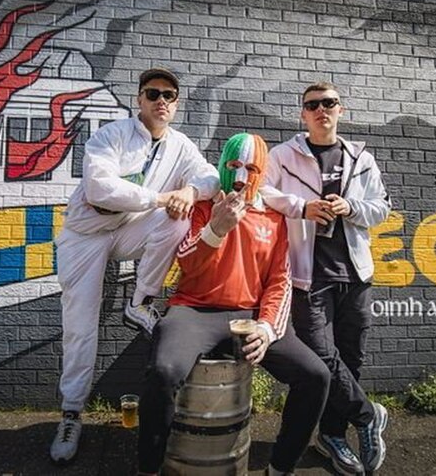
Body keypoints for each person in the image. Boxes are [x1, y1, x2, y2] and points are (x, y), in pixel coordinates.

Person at [49, 68, 219, 465]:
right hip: (85, 236)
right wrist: (165, 197)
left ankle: (140, 301)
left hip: (129, 232)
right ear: (139, 100)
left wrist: (190, 191)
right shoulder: (111, 135)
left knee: (179, 217)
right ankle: (72, 413)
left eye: (169, 96)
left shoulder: (180, 145)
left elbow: (209, 176)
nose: (162, 101)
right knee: (80, 327)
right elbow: (100, 188)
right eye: (153, 93)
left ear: (176, 105)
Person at [137, 133, 331, 476]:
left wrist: (268, 328)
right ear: (222, 166)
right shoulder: (202, 206)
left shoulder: (273, 218)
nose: (241, 176)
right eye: (233, 165)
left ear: (262, 172)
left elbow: (279, 281)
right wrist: (216, 228)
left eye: (251, 168)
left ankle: (279, 468)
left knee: (315, 377)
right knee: (163, 372)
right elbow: (186, 262)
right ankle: (149, 469)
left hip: (250, 317)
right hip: (194, 310)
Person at [261, 81, 392, 474]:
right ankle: (367, 415)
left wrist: (350, 207)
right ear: (303, 114)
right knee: (321, 355)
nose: (322, 110)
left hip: (354, 273)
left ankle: (333, 435)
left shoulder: (360, 157)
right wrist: (302, 206)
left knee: (350, 359)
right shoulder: (283, 155)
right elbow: (262, 192)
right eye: (313, 105)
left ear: (341, 110)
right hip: (307, 274)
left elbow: (382, 208)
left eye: (329, 103)